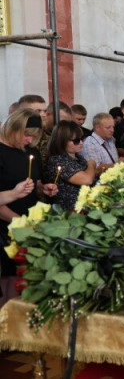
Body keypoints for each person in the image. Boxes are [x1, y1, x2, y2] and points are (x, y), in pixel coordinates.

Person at [0, 109, 58, 306]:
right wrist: (19, 222)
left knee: (28, 275)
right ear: (13, 128)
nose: (29, 140)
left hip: (29, 222)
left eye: (34, 136)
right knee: (9, 276)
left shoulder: (31, 152)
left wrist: (44, 188)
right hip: (6, 224)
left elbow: (35, 183)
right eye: (26, 135)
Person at [46, 121, 97, 210]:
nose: (81, 142)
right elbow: (87, 180)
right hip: (70, 211)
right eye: (76, 141)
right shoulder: (58, 160)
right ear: (62, 141)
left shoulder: (78, 157)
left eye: (81, 138)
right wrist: (91, 164)